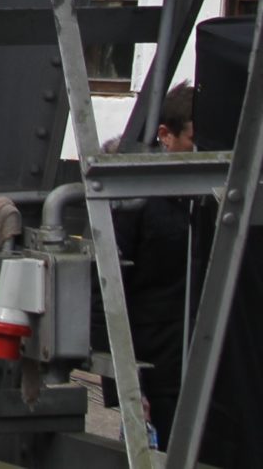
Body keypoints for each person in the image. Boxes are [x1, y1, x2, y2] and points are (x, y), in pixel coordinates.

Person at [113, 84, 200, 443]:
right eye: (194, 140)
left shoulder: (205, 198)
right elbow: (110, 287)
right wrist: (126, 387)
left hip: (204, 363)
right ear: (166, 135)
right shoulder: (136, 199)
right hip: (158, 367)